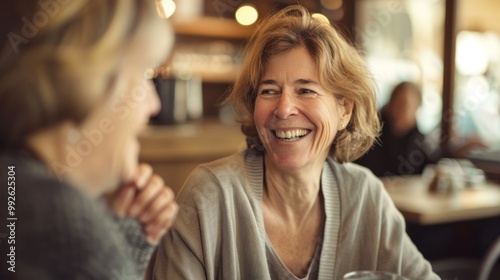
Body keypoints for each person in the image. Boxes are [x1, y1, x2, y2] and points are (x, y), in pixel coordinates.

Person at [152, 5, 439, 280]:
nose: (283, 108)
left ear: (345, 110)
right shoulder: (211, 198)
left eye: (305, 90)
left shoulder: (365, 196)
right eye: (269, 90)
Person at [0, 0, 178, 279]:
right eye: (143, 74)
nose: (154, 104)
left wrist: (117, 235)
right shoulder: (63, 224)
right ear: (88, 81)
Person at [355, 81, 439, 177]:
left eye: (408, 105)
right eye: (400, 103)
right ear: (391, 103)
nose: (403, 110)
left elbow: (433, 164)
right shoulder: (370, 134)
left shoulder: (419, 139)